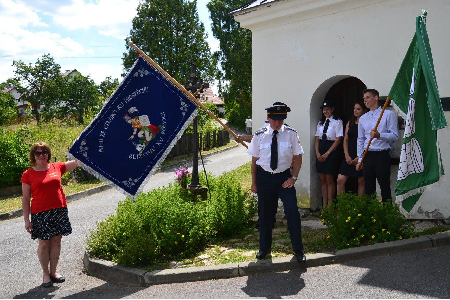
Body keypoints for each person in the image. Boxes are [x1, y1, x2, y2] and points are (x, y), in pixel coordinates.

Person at [247, 102, 306, 263]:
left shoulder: (291, 134)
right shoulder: (259, 135)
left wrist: (293, 178)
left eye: (281, 120)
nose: (277, 124)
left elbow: (298, 157)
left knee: (292, 211)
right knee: (265, 215)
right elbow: (254, 162)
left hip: (284, 179)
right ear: (268, 117)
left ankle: (298, 249)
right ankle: (264, 249)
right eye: (274, 120)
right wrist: (254, 183)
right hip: (264, 178)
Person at [21, 142, 79, 288]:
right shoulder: (28, 174)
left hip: (58, 210)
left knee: (56, 241)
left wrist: (77, 150)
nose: (42, 155)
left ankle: (53, 273)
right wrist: (27, 220)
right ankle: (45, 274)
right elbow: (26, 199)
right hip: (40, 214)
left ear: (48, 154)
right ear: (33, 156)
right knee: (44, 243)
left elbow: (78, 162)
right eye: (38, 153)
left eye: (44, 152)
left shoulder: (57, 167)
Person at [356, 89, 398, 202]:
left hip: (382, 154)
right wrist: (360, 159)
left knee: (384, 185)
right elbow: (360, 139)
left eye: (368, 97)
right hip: (368, 154)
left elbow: (394, 136)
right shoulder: (363, 118)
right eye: (364, 98)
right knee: (368, 187)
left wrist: (380, 135)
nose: (365, 100)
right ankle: (371, 216)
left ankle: (386, 214)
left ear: (376, 97)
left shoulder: (388, 114)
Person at [315, 100, 343, 208]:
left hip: (331, 150)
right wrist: (317, 152)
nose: (325, 111)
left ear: (332, 109)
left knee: (330, 179)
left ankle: (331, 206)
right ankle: (324, 205)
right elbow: (317, 138)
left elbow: (338, 139)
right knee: (323, 180)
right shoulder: (320, 123)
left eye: (327, 109)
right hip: (321, 148)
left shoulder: (337, 122)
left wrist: (327, 153)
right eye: (324, 110)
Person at [337, 101, 368, 195]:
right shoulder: (350, 123)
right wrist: (346, 155)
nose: (355, 111)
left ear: (364, 110)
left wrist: (360, 157)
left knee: (361, 181)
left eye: (358, 109)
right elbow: (345, 140)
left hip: (362, 154)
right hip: (350, 153)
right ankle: (342, 205)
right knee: (340, 180)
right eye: (354, 108)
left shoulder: (367, 123)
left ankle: (360, 207)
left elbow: (368, 140)